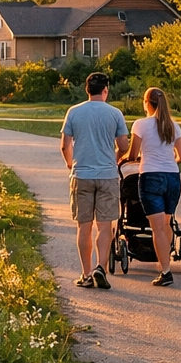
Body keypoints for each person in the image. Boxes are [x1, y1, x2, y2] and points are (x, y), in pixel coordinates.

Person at [60, 72, 129, 289]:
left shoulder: (74, 112)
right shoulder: (115, 113)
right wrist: (115, 158)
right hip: (107, 175)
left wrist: (71, 163)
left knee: (84, 226)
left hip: (82, 175)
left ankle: (86, 273)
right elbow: (124, 146)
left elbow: (65, 145)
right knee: (105, 224)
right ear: (106, 90)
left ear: (86, 89)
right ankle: (101, 267)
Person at [123, 86, 181, 286]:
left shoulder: (140, 125)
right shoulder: (172, 125)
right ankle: (164, 262)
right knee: (167, 222)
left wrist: (124, 159)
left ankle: (166, 272)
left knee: (157, 227)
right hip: (172, 178)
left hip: (151, 176)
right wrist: (168, 161)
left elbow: (133, 155)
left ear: (147, 104)